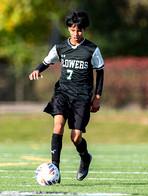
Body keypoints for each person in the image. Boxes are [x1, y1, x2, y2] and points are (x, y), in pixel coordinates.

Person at [29, 9, 104, 183]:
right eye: (72, 30)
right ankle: (55, 169)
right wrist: (37, 70)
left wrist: (97, 97)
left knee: (75, 137)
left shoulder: (92, 49)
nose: (76, 33)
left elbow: (100, 73)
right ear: (68, 29)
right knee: (58, 126)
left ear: (84, 29)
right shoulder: (60, 47)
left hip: (82, 97)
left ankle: (85, 157)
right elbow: (47, 61)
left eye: (79, 30)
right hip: (62, 93)